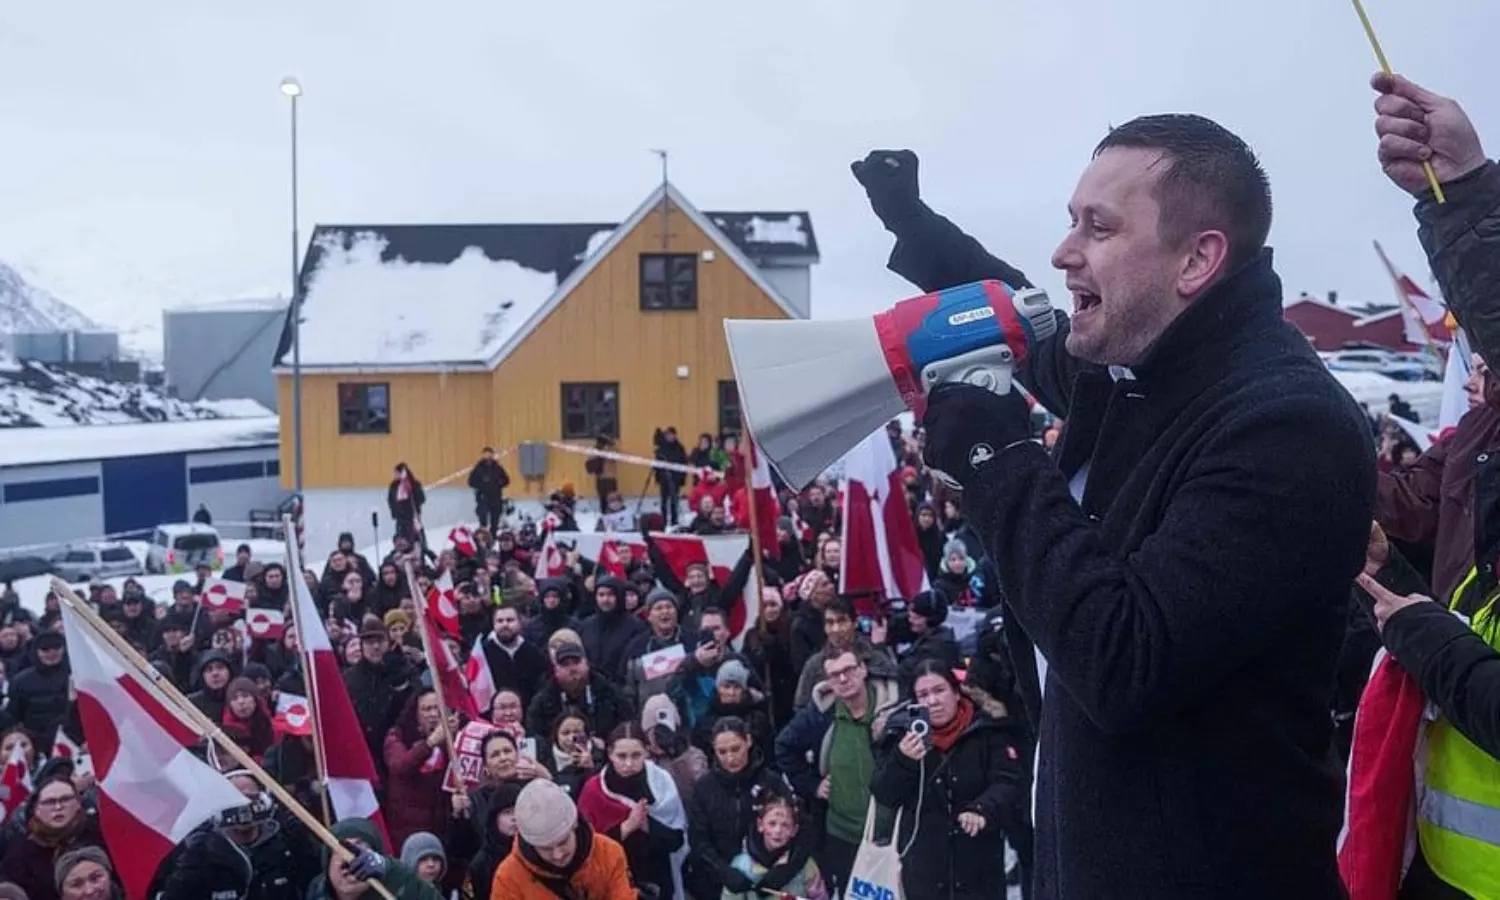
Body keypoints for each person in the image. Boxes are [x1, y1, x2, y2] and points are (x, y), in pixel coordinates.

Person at [857, 118, 1375, 896]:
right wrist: (915, 225)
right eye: (1072, 221)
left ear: (1198, 258)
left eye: (1097, 228)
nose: (1065, 252)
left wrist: (997, 460)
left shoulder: (1287, 426)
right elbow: (1026, 327)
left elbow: (1123, 660)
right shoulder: (1142, 364)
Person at [870, 661, 1028, 900]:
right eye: (923, 694)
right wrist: (903, 761)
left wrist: (982, 809)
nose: (932, 701)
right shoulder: (899, 735)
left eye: (939, 690)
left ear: (956, 692)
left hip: (979, 867)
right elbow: (883, 794)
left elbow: (1009, 782)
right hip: (924, 870)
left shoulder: (987, 730)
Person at [775, 647, 903, 896]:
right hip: (841, 835)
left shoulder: (894, 709)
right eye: (835, 675)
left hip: (891, 833)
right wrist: (812, 785)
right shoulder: (821, 714)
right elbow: (783, 746)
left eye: (849, 670)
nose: (843, 679)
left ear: (863, 670)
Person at [575, 723, 688, 900]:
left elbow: (677, 839)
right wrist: (626, 827)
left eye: (636, 755)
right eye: (621, 756)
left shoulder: (661, 782)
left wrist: (647, 826)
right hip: (614, 880)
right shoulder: (594, 789)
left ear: (647, 752)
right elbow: (585, 846)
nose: (628, 763)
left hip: (658, 878)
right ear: (610, 753)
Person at [687, 717, 790, 899]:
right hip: (715, 882)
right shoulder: (704, 788)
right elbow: (698, 839)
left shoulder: (771, 782)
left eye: (736, 749)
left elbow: (796, 827)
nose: (731, 758)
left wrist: (781, 872)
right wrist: (723, 871)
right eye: (722, 752)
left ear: (748, 741)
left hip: (765, 879)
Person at [489, 779, 634, 899]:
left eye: (563, 841)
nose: (558, 854)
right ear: (530, 843)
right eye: (545, 848)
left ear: (574, 824)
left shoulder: (609, 853)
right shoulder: (508, 878)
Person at [382, 690, 456, 851]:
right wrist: (429, 744)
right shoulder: (397, 737)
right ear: (415, 713)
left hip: (441, 824)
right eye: (427, 709)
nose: (433, 714)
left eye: (438, 708)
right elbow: (400, 766)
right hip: (408, 828)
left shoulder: (452, 739)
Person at [719, 791, 827, 900]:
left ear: (794, 830)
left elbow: (820, 897)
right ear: (760, 825)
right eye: (772, 823)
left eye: (785, 825)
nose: (778, 830)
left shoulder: (806, 866)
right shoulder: (742, 866)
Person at [306, 817, 441, 899]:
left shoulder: (402, 892)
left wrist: (392, 871)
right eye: (341, 850)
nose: (351, 860)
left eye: (360, 847)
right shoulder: (315, 893)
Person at [525, 641, 633, 741]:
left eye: (576, 662)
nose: (572, 669)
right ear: (556, 671)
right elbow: (535, 735)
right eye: (565, 664)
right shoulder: (543, 702)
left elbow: (627, 723)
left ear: (587, 664)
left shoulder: (610, 694)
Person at [578, 578, 648, 685]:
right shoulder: (586, 626)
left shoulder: (637, 627)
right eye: (601, 595)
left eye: (610, 595)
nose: (605, 599)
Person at [480, 606, 549, 710]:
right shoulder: (482, 654)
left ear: (520, 623)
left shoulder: (533, 652)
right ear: (493, 625)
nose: (505, 624)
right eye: (500, 621)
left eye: (510, 620)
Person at [469, 448, 512, 533]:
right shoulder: (479, 468)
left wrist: (499, 483)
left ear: (492, 455)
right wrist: (482, 484)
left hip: (495, 497)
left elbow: (506, 480)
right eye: (486, 454)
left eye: (489, 454)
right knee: (483, 519)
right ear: (483, 455)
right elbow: (471, 481)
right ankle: (484, 536)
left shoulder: (497, 468)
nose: (488, 457)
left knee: (495, 519)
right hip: (483, 497)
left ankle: (493, 535)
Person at [653, 428, 689, 528]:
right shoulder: (662, 448)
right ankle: (663, 521)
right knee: (663, 502)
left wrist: (682, 478)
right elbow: (657, 463)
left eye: (671, 435)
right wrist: (658, 476)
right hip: (664, 479)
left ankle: (674, 521)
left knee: (674, 501)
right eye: (667, 435)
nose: (670, 437)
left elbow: (683, 463)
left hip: (675, 479)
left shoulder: (680, 448)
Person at [388, 463, 426, 544]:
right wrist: (394, 512)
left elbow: (422, 498)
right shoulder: (394, 486)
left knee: (416, 536)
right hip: (400, 517)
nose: (395, 475)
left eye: (397, 473)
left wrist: (412, 492)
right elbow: (391, 500)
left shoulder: (414, 484)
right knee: (402, 537)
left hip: (412, 516)